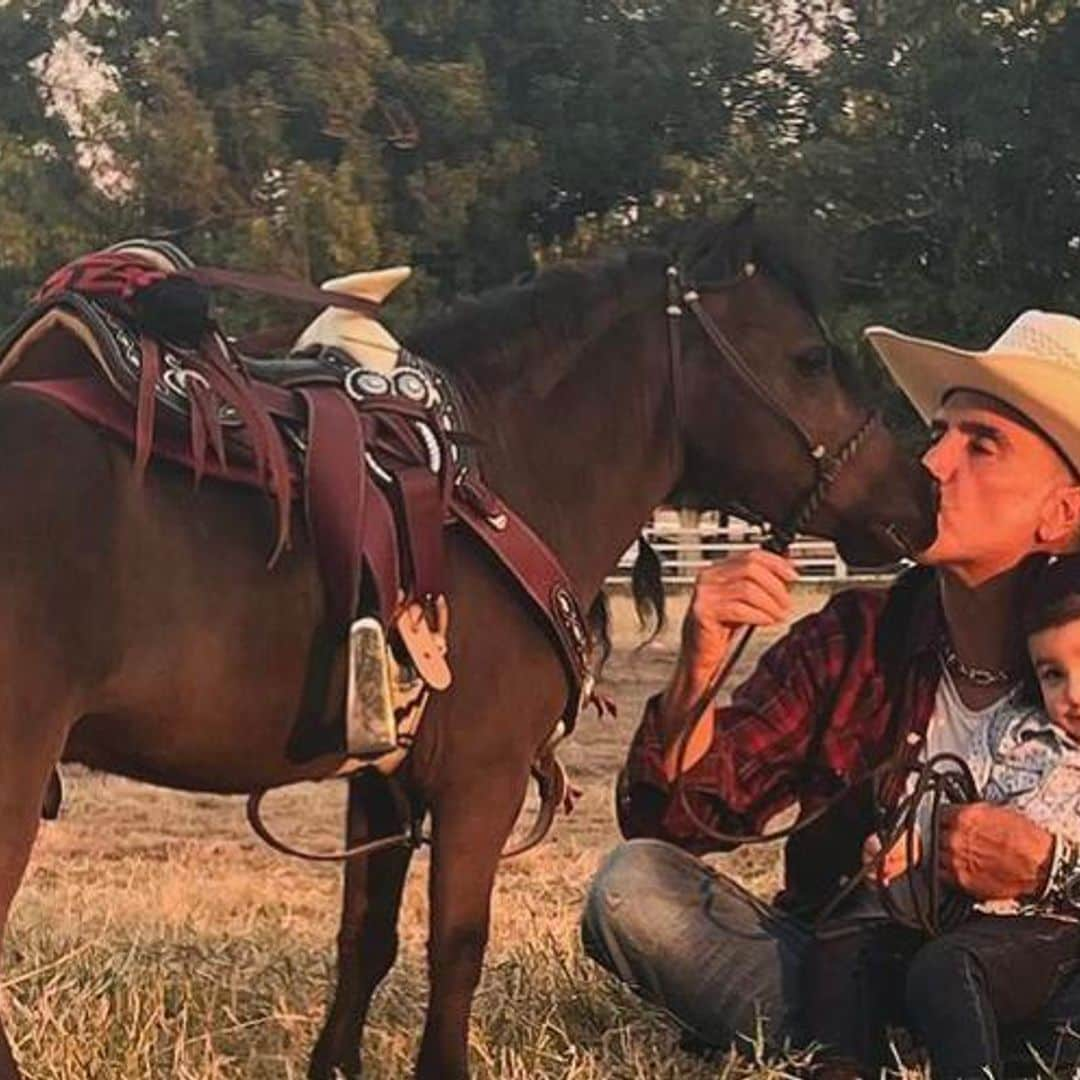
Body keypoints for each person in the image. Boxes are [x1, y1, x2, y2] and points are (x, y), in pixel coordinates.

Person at [581, 309, 1080, 1076]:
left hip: (1041, 983)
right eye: (939, 433)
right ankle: (884, 1053)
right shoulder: (856, 638)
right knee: (632, 892)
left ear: (1064, 513)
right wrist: (700, 664)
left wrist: (1051, 869)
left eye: (981, 445)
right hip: (853, 982)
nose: (934, 463)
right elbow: (676, 825)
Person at [805, 555, 1080, 1079]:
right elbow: (943, 802)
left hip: (1055, 932)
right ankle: (842, 1063)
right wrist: (908, 842)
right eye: (1052, 674)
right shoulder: (1010, 731)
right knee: (845, 937)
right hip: (965, 919)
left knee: (947, 968)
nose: (1074, 695)